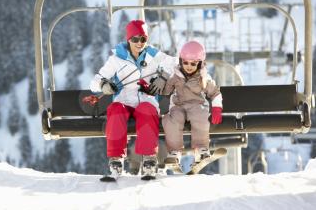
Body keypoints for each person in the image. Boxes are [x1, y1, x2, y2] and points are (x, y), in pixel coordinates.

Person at [89, 20, 176, 179]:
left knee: (147, 110)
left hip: (146, 99)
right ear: (128, 39)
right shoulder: (117, 59)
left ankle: (149, 159)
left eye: (143, 39)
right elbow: (94, 81)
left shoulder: (153, 54)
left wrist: (163, 77)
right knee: (115, 110)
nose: (139, 43)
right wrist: (103, 85)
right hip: (124, 100)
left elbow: (175, 63)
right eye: (135, 39)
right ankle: (116, 160)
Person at [161, 41, 223, 165]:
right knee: (172, 120)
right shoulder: (175, 76)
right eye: (185, 63)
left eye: (193, 64)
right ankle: (174, 152)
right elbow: (165, 91)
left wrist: (217, 108)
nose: (189, 66)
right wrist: (162, 79)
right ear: (180, 61)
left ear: (200, 64)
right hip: (178, 106)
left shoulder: (203, 78)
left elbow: (215, 93)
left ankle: (201, 150)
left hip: (196, 105)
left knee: (201, 117)